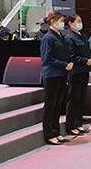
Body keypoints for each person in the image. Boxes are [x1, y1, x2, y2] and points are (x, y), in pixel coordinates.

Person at [40, 11, 73, 145]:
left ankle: (56, 131)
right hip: (52, 75)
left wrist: (69, 63)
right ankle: (49, 133)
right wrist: (64, 65)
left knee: (58, 104)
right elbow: (46, 59)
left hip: (61, 74)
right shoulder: (48, 38)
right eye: (61, 21)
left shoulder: (60, 36)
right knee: (51, 104)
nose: (63, 24)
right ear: (53, 22)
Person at [62, 13, 91, 136]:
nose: (80, 23)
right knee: (73, 98)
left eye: (80, 21)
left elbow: (88, 50)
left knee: (81, 98)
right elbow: (71, 56)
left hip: (84, 71)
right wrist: (85, 61)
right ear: (70, 23)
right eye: (78, 21)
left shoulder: (82, 36)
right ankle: (71, 125)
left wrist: (90, 59)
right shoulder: (69, 38)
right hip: (75, 72)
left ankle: (78, 123)